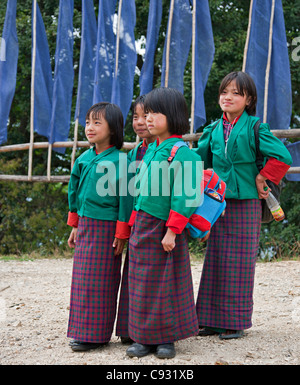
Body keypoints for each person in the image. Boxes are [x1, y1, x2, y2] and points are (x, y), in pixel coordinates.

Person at [194, 71, 292, 339]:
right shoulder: (212, 129)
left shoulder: (255, 127)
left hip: (247, 202)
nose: (228, 97)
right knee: (215, 259)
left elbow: (282, 156)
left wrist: (263, 176)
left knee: (239, 262)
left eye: (236, 93)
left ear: (249, 100)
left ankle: (235, 322)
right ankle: (210, 320)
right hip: (217, 202)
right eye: (225, 92)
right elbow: (197, 161)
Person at [126, 87, 203, 359]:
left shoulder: (183, 153)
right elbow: (142, 191)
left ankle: (166, 340)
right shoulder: (149, 151)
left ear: (172, 115)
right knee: (141, 283)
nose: (147, 119)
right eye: (145, 113)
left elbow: (187, 195)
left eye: (154, 113)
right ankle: (143, 338)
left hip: (165, 228)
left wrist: (172, 231)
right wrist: (134, 221)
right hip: (143, 226)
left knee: (165, 284)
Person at [67, 102, 133, 351]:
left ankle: (98, 334)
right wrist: (75, 224)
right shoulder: (84, 158)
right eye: (87, 122)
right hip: (85, 226)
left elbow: (126, 200)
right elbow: (75, 192)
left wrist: (121, 233)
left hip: (107, 229)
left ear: (113, 129)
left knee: (103, 280)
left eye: (97, 123)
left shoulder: (121, 160)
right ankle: (83, 331)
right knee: (82, 280)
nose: (89, 128)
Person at [115, 95, 157, 343]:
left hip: (161, 221)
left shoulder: (170, 149)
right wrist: (123, 229)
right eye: (136, 117)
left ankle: (157, 331)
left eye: (147, 116)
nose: (141, 122)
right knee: (133, 274)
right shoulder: (134, 153)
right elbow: (127, 193)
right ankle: (131, 328)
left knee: (156, 276)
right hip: (137, 222)